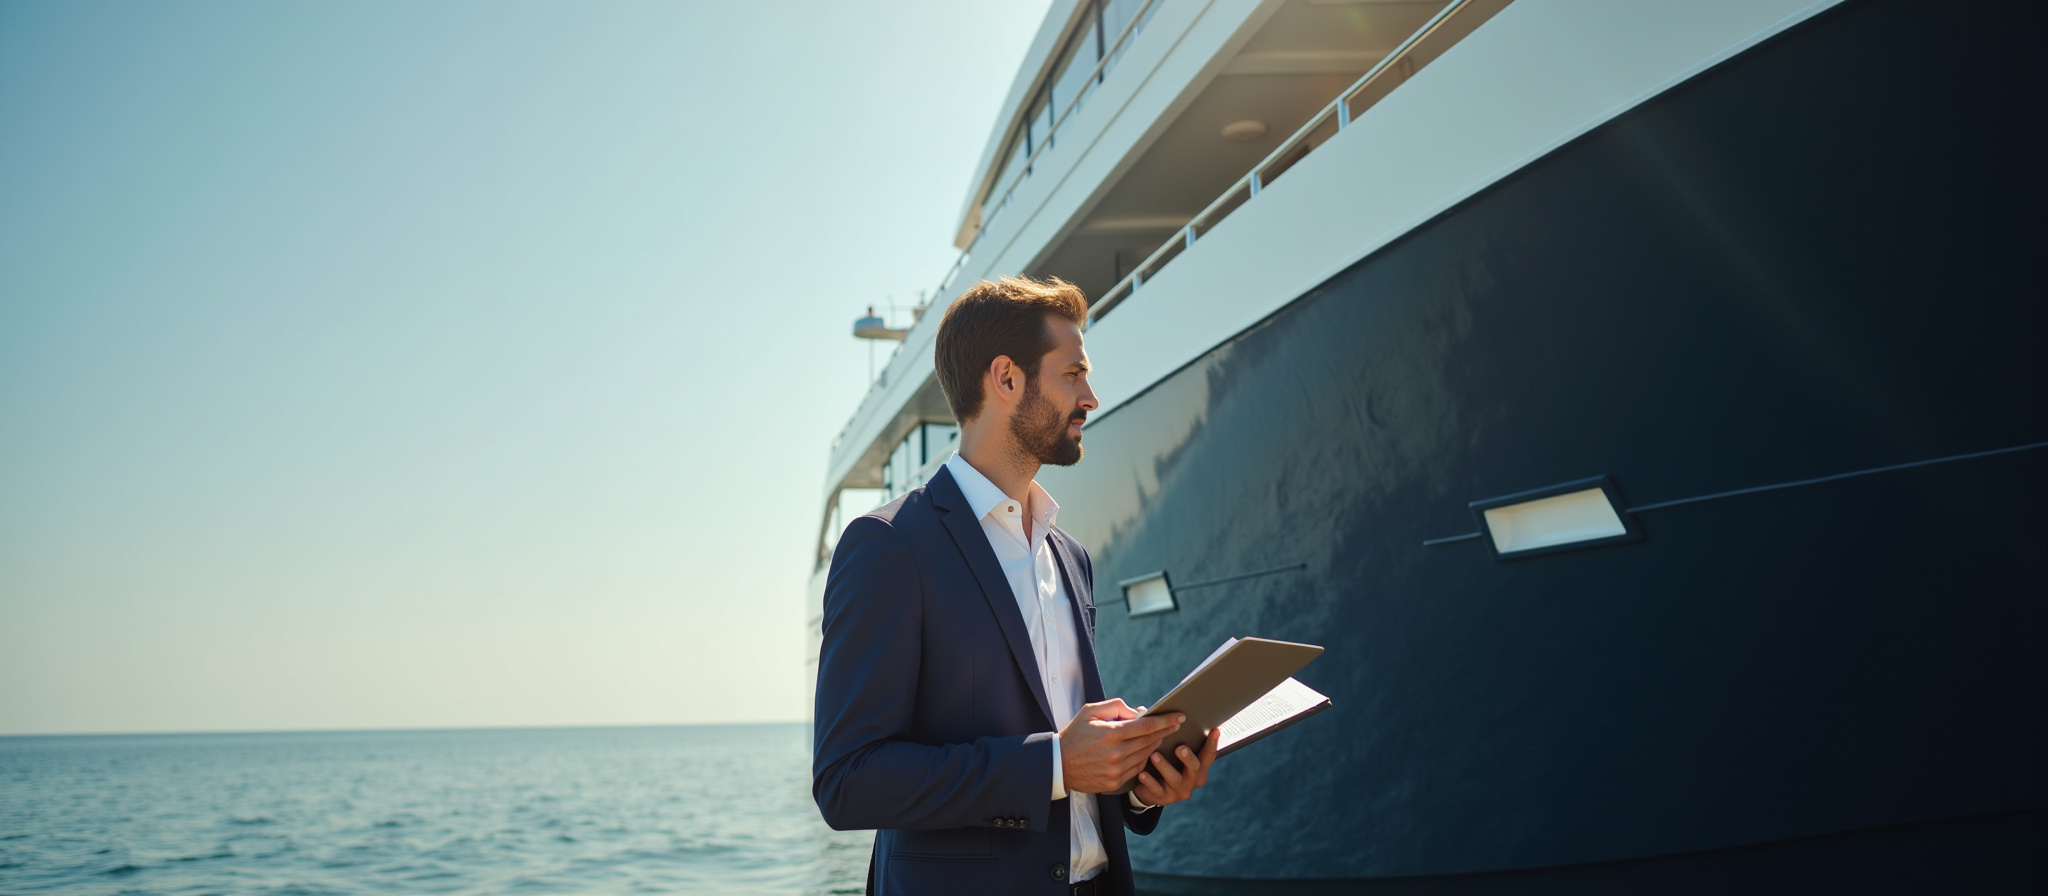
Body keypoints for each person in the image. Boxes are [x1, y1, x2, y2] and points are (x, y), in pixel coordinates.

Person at [813, 277, 1220, 895]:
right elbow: (848, 780)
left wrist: (1139, 785)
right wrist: (1054, 763)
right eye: (1073, 374)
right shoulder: (889, 546)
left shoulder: (1070, 556)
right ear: (1006, 379)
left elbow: (1077, 774)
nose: (1091, 397)